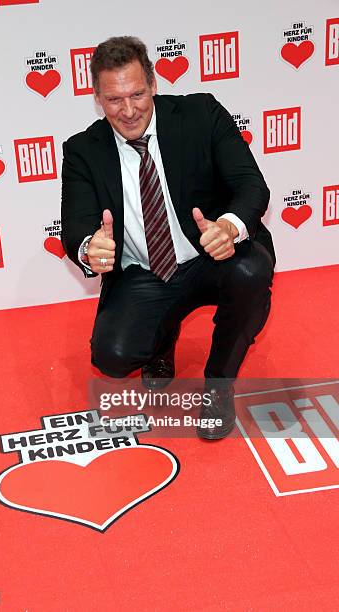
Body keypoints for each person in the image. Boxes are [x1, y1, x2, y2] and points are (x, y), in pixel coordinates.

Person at [61, 36, 275, 440]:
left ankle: (219, 384)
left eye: (137, 94)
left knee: (251, 271)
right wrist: (91, 248)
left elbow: (251, 185)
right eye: (113, 100)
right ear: (96, 97)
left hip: (213, 256)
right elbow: (75, 226)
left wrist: (227, 227)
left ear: (154, 83)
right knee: (112, 357)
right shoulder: (82, 151)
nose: (128, 111)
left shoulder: (201, 113)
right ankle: (162, 338)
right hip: (145, 273)